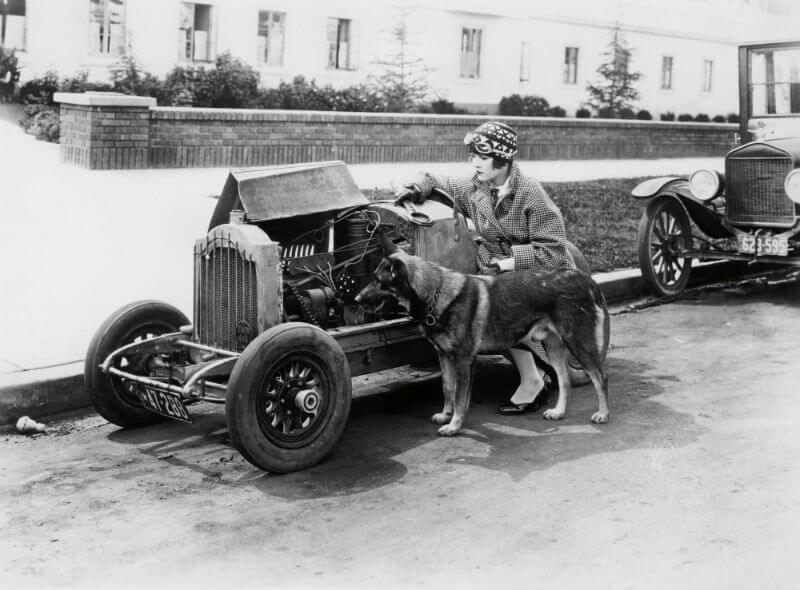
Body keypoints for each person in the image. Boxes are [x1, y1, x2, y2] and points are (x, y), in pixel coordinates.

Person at [394, 121, 576, 415]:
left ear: (503, 159)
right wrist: (414, 188)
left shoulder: (532, 194)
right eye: (471, 155)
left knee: (501, 302)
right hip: (496, 272)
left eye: (481, 156)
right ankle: (528, 367)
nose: (473, 163)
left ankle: (534, 379)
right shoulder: (474, 187)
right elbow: (433, 178)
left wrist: (508, 262)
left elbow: (555, 252)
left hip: (541, 276)